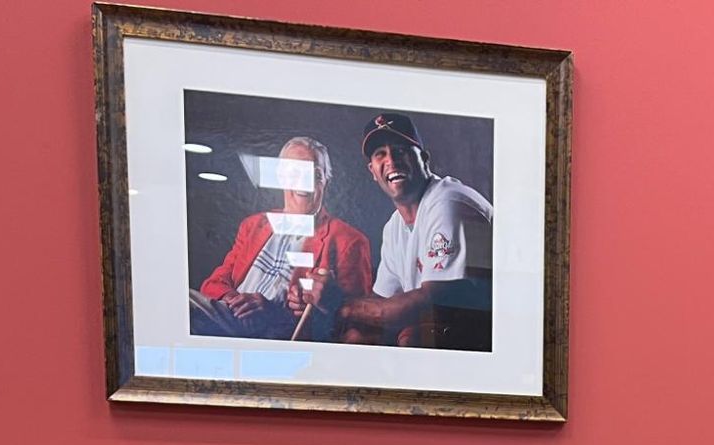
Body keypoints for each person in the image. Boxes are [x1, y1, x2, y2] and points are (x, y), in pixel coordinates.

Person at [291, 113, 492, 348]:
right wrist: (319, 299)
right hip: (452, 328)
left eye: (401, 151)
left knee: (417, 336)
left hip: (492, 334)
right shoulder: (394, 226)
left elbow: (433, 303)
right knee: (357, 337)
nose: (392, 161)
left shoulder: (448, 202)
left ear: (424, 159)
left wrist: (341, 305)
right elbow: (382, 302)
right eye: (380, 154)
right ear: (372, 171)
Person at [191, 137, 373, 341]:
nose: (305, 182)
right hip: (229, 318)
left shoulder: (349, 241)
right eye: (295, 172)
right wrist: (238, 303)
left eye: (315, 174)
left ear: (326, 182)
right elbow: (213, 283)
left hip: (280, 337)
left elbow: (356, 326)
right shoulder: (253, 225)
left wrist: (272, 313)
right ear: (280, 177)